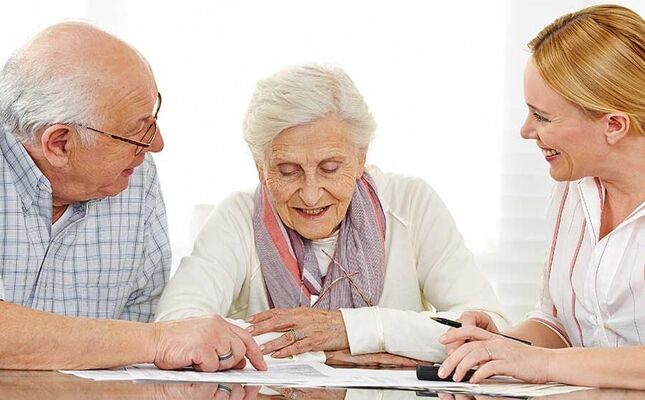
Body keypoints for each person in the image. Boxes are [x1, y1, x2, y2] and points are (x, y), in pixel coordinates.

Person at [156, 63, 509, 364]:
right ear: (259, 166)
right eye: (288, 170)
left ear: (360, 158)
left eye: (329, 167)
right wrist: (379, 342)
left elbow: (491, 328)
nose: (310, 194)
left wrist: (347, 328)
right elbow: (176, 326)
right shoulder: (236, 215)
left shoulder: (411, 204)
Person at [0, 22, 265, 372]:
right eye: (136, 132)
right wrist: (157, 340)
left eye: (152, 119)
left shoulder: (135, 178)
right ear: (60, 143)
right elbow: (147, 339)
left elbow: (139, 327)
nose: (155, 144)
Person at [438, 4, 645, 390]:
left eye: (543, 117)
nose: (525, 130)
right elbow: (558, 324)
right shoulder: (571, 188)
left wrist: (542, 363)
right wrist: (503, 344)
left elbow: (552, 361)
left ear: (614, 125)